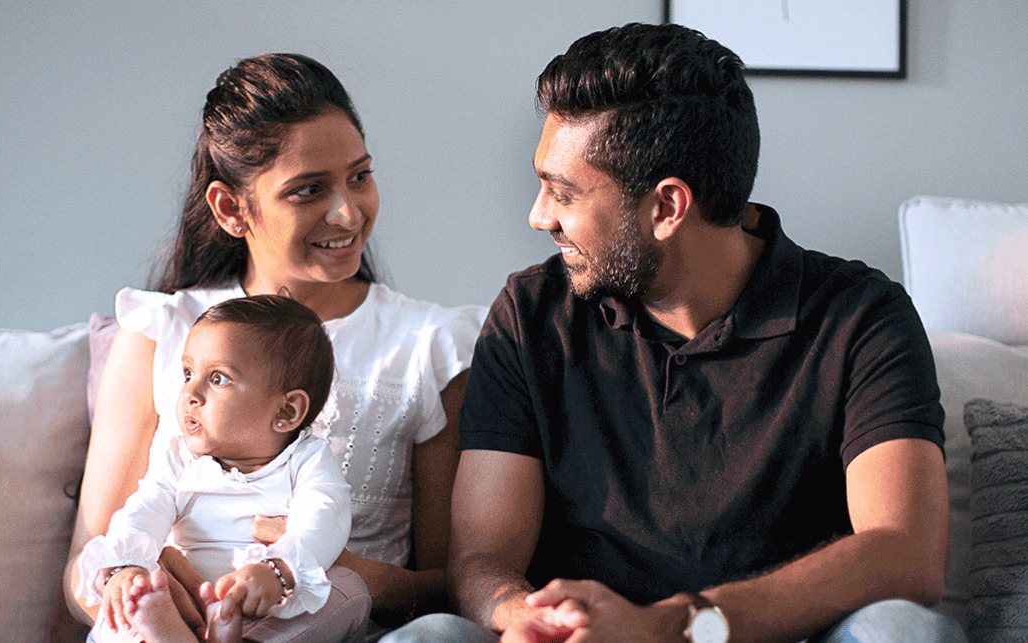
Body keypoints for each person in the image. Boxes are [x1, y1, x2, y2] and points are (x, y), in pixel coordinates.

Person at [385, 22, 966, 643]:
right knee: (433, 637)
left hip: (761, 636)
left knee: (901, 629)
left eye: (563, 193)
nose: (539, 216)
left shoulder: (860, 316)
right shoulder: (531, 314)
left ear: (667, 207)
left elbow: (905, 554)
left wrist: (669, 626)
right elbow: (483, 559)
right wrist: (519, 614)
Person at [63, 54, 486, 638]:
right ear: (231, 208)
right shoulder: (161, 330)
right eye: (309, 190)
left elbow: (451, 584)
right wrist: (138, 585)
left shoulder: (428, 347)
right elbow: (84, 568)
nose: (348, 212)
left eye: (359, 176)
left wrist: (347, 576)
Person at [76, 295, 359, 642]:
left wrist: (280, 570)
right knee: (131, 599)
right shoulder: (180, 457)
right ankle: (165, 626)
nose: (190, 393)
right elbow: (146, 508)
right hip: (186, 598)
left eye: (218, 379)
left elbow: (325, 516)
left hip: (265, 605)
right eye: (188, 374)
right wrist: (127, 565)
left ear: (286, 412)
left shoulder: (307, 460)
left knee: (350, 589)